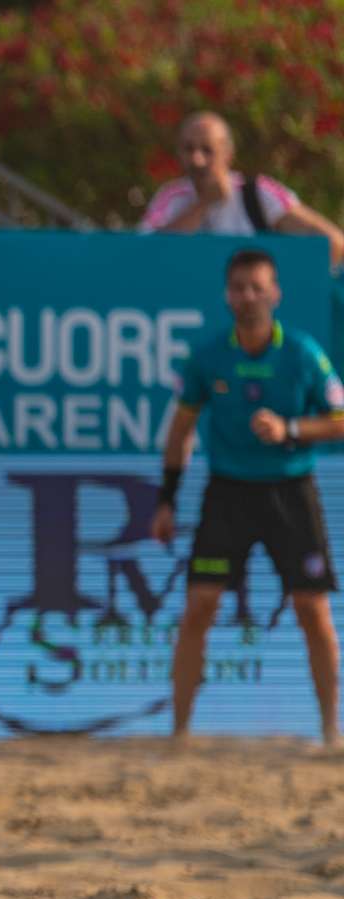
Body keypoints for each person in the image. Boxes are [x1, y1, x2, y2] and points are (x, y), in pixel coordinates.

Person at [151, 248, 344, 745]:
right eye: (239, 288)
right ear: (227, 295)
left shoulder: (303, 353)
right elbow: (180, 431)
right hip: (228, 494)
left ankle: (330, 732)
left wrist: (290, 429)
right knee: (200, 606)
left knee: (312, 610)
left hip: (290, 493)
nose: (249, 296)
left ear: (275, 293)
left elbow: (341, 420)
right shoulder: (207, 356)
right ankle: (179, 734)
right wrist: (166, 500)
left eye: (258, 287)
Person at [140, 112, 344, 270]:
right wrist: (203, 204)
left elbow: (333, 244)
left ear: (228, 154)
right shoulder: (170, 197)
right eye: (189, 149)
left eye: (207, 150)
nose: (197, 159)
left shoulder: (258, 193)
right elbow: (142, 255)